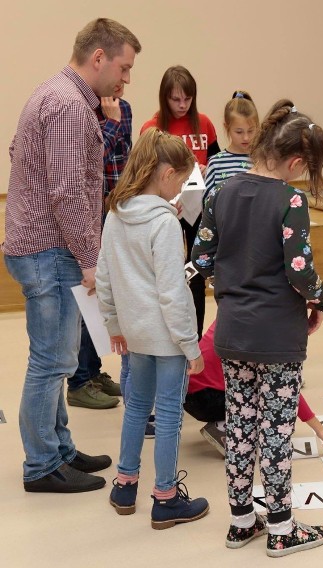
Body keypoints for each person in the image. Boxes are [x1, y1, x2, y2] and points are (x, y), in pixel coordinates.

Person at [3, 18, 140, 494]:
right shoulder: (67, 106)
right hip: (50, 251)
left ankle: (60, 449)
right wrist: (89, 258)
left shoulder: (60, 96)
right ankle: (42, 465)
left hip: (42, 245)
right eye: (122, 68)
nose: (125, 80)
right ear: (98, 58)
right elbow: (67, 193)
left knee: (56, 359)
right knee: (51, 362)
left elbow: (18, 150)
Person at [191, 101, 323, 557]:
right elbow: (299, 270)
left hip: (232, 332)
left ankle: (239, 522)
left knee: (240, 428)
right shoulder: (290, 201)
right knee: (275, 430)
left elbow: (202, 259)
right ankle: (282, 527)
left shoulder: (220, 192)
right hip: (278, 336)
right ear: (294, 162)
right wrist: (321, 298)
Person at [96, 128, 208, 528]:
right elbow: (173, 293)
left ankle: (124, 486)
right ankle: (165, 497)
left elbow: (105, 277)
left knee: (135, 409)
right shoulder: (163, 224)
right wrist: (189, 345)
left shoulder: (115, 212)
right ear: (166, 174)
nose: (180, 191)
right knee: (169, 418)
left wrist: (113, 323)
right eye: (181, 181)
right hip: (167, 339)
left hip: (133, 334)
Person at [67, 75, 136, 411]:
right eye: (120, 72)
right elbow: (88, 163)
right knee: (87, 296)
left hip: (113, 209)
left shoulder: (123, 109)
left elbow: (125, 158)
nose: (123, 82)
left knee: (105, 297)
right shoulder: (83, 111)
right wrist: (109, 124)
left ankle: (93, 372)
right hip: (88, 214)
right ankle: (79, 380)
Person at [141, 65, 219, 340]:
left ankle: (195, 335)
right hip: (166, 208)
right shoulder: (152, 128)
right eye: (176, 99)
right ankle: (166, 333)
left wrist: (207, 169)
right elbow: (144, 172)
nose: (182, 105)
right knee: (167, 268)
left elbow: (216, 160)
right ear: (164, 98)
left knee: (195, 268)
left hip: (197, 207)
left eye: (188, 98)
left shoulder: (204, 123)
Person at [186, 320, 323, 457]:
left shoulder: (233, 310)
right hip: (206, 400)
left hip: (188, 394)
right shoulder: (262, 335)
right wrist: (320, 430)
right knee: (271, 395)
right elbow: (285, 389)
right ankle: (224, 428)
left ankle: (229, 422)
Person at [203, 90, 258, 202]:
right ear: (227, 127)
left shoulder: (261, 160)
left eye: (251, 131)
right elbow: (207, 202)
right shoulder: (216, 163)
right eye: (239, 132)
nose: (246, 137)